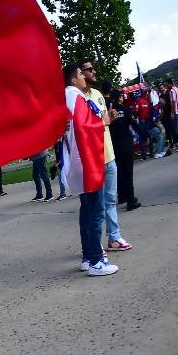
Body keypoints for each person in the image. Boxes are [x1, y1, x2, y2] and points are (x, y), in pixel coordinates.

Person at [61, 61, 117, 276]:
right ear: (73, 79)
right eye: (81, 74)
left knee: (88, 212)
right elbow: (83, 128)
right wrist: (102, 122)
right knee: (95, 212)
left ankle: (88, 256)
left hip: (83, 162)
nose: (86, 76)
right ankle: (95, 261)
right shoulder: (74, 96)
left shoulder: (74, 96)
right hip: (86, 163)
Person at [80, 61, 132, 252]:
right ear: (79, 74)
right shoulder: (76, 98)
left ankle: (114, 237)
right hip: (91, 160)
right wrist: (104, 121)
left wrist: (109, 118)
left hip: (108, 155)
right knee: (94, 206)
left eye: (93, 69)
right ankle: (93, 245)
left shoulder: (98, 95)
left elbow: (103, 121)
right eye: (89, 70)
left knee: (110, 200)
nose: (94, 72)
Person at [109, 90, 142, 212]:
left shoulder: (109, 113)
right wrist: (144, 135)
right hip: (126, 144)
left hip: (115, 146)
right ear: (119, 98)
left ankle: (123, 196)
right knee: (128, 173)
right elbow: (133, 124)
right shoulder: (126, 110)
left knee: (120, 173)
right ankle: (131, 200)